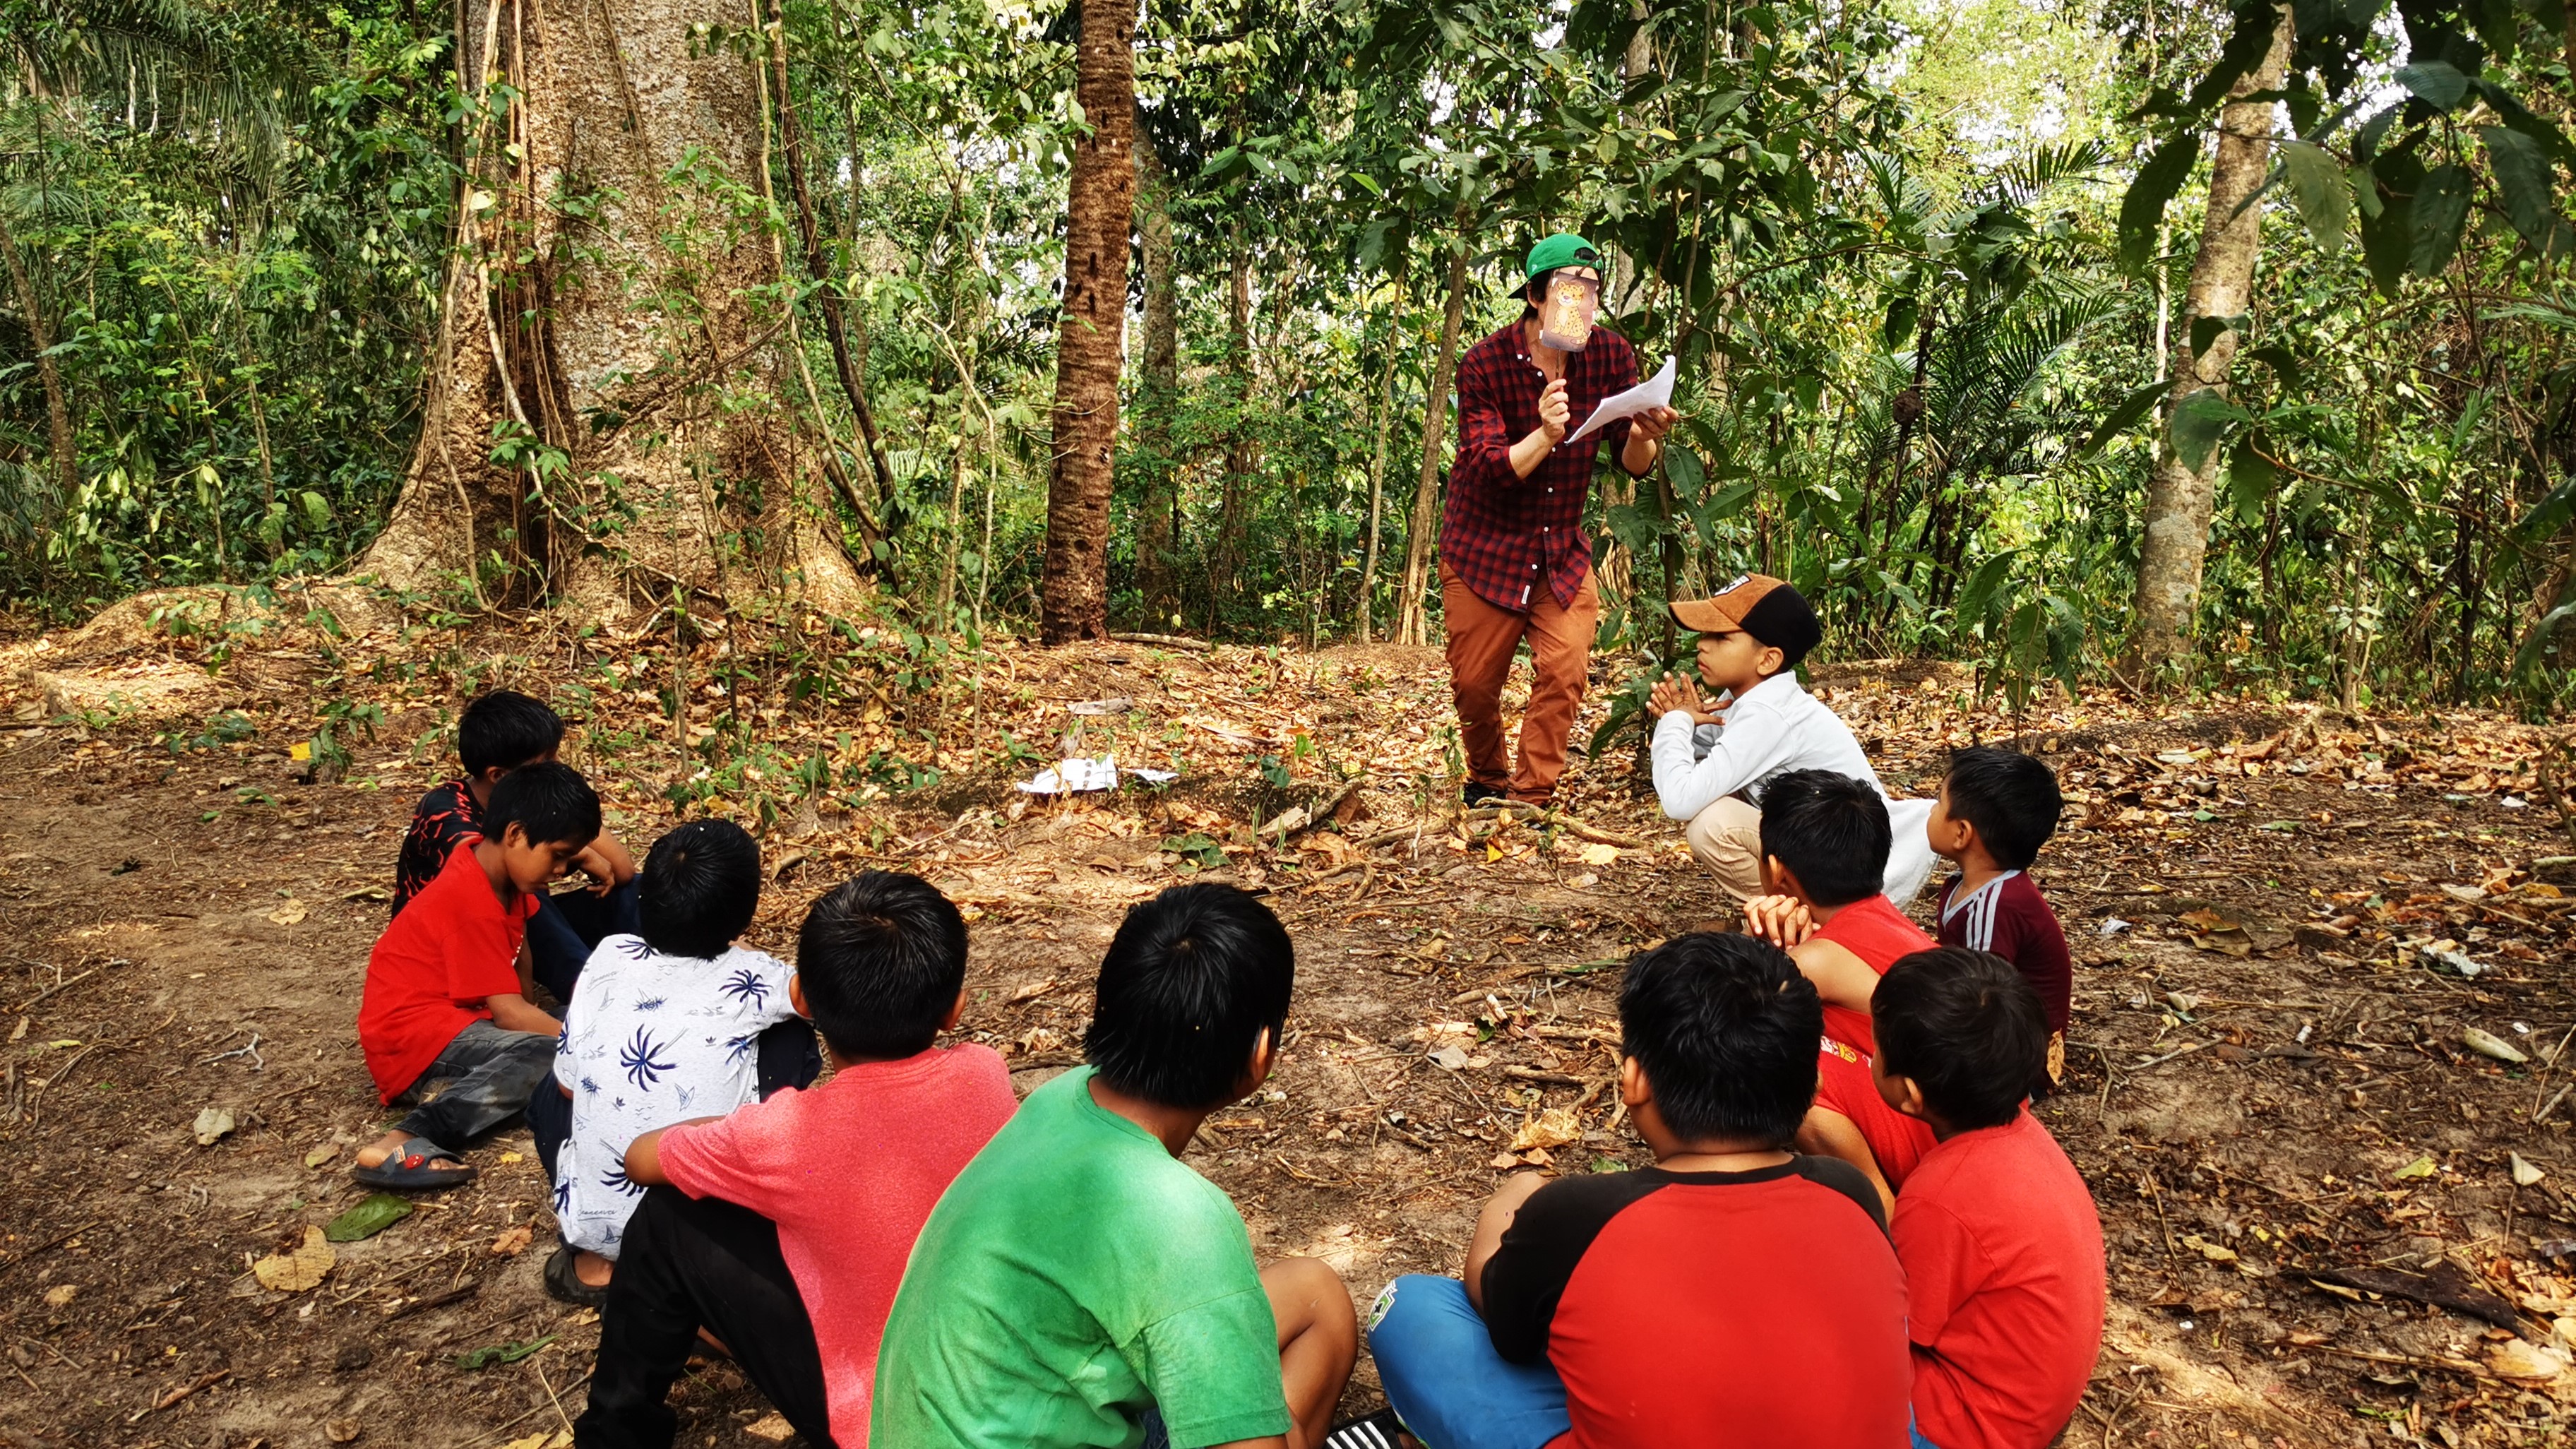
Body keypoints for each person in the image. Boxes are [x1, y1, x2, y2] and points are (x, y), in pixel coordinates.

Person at [1363, 932, 1912, 1449]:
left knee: (1410, 1306)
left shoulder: (1576, 1213)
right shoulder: (1850, 1192)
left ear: (1634, 1080)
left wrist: (1514, 1196)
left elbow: (1509, 1333)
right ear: (1812, 1085)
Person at [871, 883, 1361, 1449]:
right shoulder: (1182, 1220)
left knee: (1314, 1291)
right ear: (1260, 1054)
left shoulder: (1062, 1098)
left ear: (1108, 1010)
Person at [574, 871, 1016, 1449]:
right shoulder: (984, 1073)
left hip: (881, 1424)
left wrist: (732, 1127)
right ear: (953, 1010)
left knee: (668, 1215)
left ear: (803, 999)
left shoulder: (781, 1134)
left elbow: (640, 1159)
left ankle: (615, 1434)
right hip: (998, 1391)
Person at [1442, 232, 1678, 808]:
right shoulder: (1484, 364)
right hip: (1483, 548)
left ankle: (1530, 796)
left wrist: (1645, 436)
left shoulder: (1610, 355)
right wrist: (1546, 434)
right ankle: (1489, 780)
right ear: (1535, 296)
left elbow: (1633, 462)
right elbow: (1491, 469)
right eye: (1571, 289)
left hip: (1560, 551)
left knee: (1565, 673)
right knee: (1474, 687)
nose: (1585, 302)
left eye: (1593, 291)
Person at [542, 818, 819, 1307]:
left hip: (593, 1229)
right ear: (745, 912)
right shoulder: (754, 977)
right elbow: (829, 996)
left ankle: (596, 1265)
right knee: (788, 1032)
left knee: (559, 1083)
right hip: (695, 1242)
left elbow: (566, 1089)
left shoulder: (608, 955)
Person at [1873, 948, 2105, 1449]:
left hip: (1974, 1427)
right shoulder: (2022, 1133)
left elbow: (1897, 1330)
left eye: (1875, 1046)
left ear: (1910, 1094)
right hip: (2033, 1401)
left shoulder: (1941, 1197)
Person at [353, 763, 599, 1191]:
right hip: (415, 1039)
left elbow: (519, 980)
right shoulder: (469, 899)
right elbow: (511, 1015)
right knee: (548, 1052)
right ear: (516, 835)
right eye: (558, 855)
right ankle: (406, 1139)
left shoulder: (501, 878)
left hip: (463, 1026)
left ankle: (465, 1083)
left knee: (569, 1022)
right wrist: (591, 1049)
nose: (562, 870)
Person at [1648, 574, 1935, 905]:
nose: (1702, 643)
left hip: (1848, 865)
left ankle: (1800, 922)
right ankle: (1791, 918)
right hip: (1827, 851)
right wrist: (1686, 723)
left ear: (1768, 659)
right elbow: (1698, 766)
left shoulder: (1768, 714)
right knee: (1715, 805)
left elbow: (1680, 799)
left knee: (1711, 824)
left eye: (1721, 637)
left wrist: (1675, 721)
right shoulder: (1747, 699)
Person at [1734, 769, 1938, 1213]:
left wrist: (1754, 936)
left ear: (1776, 872)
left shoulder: (1819, 959)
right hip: (1946, 1110)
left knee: (1787, 1068)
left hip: (1926, 1138)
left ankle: (1878, 1204)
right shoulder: (1885, 917)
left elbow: (1723, 1010)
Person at [392, 688, 638, 1003]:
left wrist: (564, 815)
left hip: (515, 929)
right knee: (528, 898)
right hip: (451, 944)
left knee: (635, 892)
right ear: (498, 775)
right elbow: (487, 881)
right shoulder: (444, 809)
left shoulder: (537, 801)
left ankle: (675, 968)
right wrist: (582, 854)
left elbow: (623, 870)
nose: (557, 767)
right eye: (545, 761)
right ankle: (592, 1000)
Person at [1927, 747, 2074, 1082]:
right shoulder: (1961, 886)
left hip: (2014, 1064)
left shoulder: (1994, 906)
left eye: (1939, 803)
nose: (1931, 810)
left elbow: (1982, 1002)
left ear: (1962, 834)